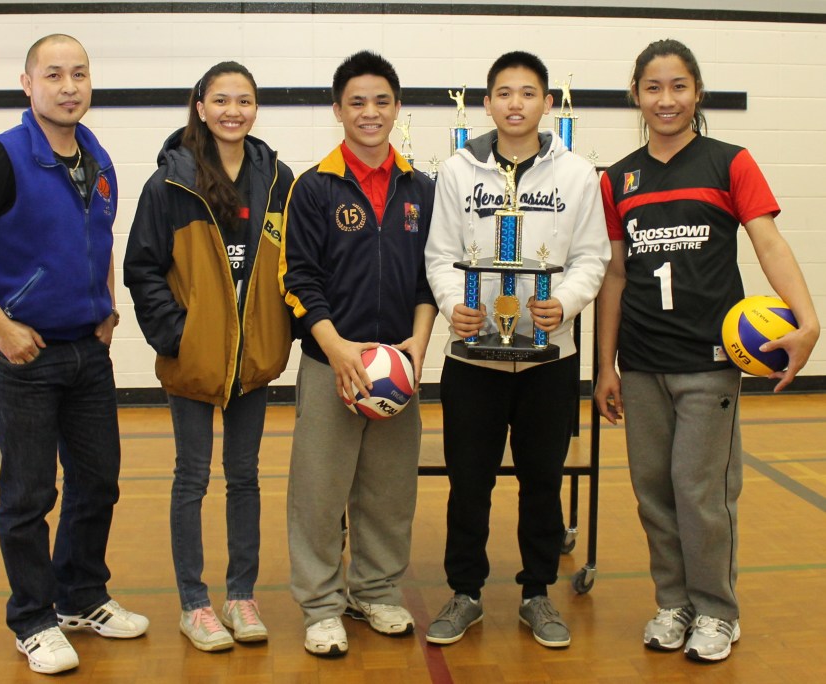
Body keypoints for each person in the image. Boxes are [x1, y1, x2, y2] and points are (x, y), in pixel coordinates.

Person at [0, 34, 148, 675]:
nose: (69, 86)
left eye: (79, 74)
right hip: (21, 357)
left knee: (98, 483)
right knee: (28, 495)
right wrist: (0, 327)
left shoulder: (96, 156)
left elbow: (98, 234)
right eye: (54, 74)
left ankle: (82, 596)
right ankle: (33, 618)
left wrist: (107, 307)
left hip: (87, 354)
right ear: (27, 83)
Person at [594, 39, 819, 662]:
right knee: (653, 492)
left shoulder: (730, 162)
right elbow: (615, 276)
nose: (666, 100)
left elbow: (769, 243)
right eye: (653, 88)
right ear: (635, 96)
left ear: (698, 94)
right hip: (641, 364)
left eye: (678, 87)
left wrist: (808, 320)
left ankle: (717, 611)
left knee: (700, 492)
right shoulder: (618, 178)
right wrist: (605, 366)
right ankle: (674, 603)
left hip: (708, 364)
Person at [424, 51, 610, 648]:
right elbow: (438, 254)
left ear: (546, 103)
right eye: (503, 93)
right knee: (469, 480)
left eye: (528, 93)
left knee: (542, 479)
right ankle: (465, 593)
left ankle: (537, 593)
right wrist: (456, 305)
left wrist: (571, 302)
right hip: (471, 358)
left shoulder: (577, 173)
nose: (515, 104)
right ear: (487, 103)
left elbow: (593, 257)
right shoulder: (457, 170)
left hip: (548, 360)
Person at [123, 62, 294, 652]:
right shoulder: (168, 183)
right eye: (220, 100)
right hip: (193, 360)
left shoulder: (277, 179)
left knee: (244, 479)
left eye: (244, 100)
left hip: (251, 360)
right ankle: (194, 604)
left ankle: (240, 595)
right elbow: (141, 268)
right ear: (199, 106)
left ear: (255, 108)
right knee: (191, 478)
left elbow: (292, 265)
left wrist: (278, 333)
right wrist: (178, 336)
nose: (233, 111)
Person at [279, 50, 437, 657]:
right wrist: (337, 347)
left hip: (399, 371)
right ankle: (321, 605)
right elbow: (299, 278)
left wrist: (417, 349)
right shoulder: (313, 187)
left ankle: (375, 590)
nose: (370, 113)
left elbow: (429, 280)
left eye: (381, 101)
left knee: (389, 489)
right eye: (356, 102)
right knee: (319, 491)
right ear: (338, 110)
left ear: (397, 108)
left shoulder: (421, 189)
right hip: (330, 365)